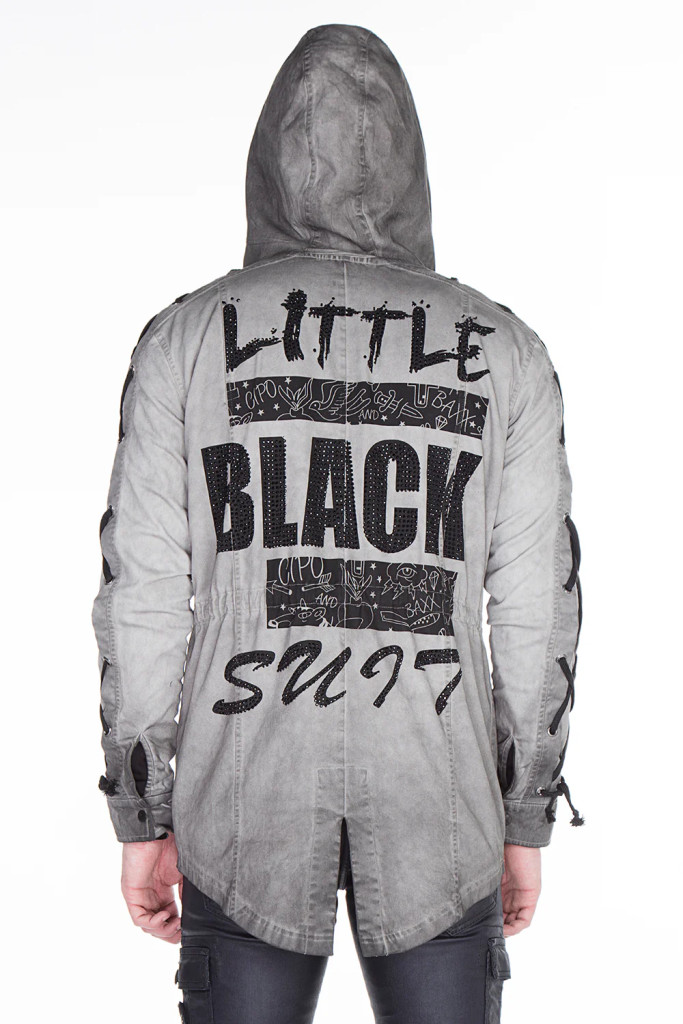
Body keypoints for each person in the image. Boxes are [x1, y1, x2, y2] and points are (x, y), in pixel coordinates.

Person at [91, 22, 584, 1024]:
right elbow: (537, 607)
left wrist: (142, 812)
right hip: (443, 805)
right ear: (410, 163)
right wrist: (523, 812)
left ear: (266, 160)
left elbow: (142, 598)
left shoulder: (185, 340)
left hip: (241, 804)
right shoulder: (505, 350)